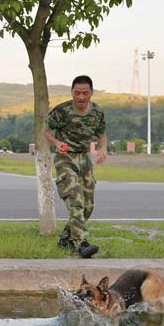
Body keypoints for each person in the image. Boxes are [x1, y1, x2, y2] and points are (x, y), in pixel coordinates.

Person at [44, 75, 107, 258]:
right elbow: (46, 131)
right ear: (72, 92)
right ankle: (82, 244)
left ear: (91, 93)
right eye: (77, 93)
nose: (81, 97)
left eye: (85, 93)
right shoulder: (62, 111)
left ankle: (66, 239)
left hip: (84, 159)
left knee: (88, 205)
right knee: (75, 200)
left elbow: (101, 133)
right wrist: (56, 143)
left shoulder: (97, 112)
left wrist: (103, 148)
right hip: (65, 158)